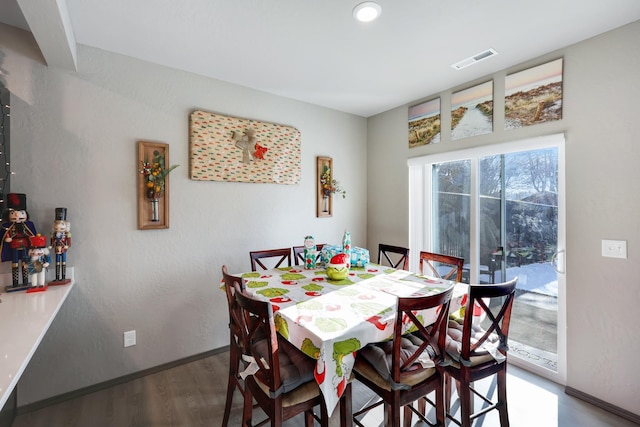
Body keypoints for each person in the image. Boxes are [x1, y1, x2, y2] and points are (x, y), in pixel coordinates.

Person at [1, 193, 37, 289]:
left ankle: (26, 281)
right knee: (15, 263)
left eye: (21, 212)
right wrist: (7, 237)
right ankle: (15, 282)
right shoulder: (7, 226)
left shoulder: (28, 225)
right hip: (14, 246)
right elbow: (6, 234)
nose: (17, 215)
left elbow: (32, 235)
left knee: (25, 262)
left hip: (24, 245)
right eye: (13, 213)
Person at [50, 207, 71, 283]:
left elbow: (69, 242)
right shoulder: (54, 234)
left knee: (63, 262)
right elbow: (52, 241)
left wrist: (67, 246)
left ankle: (64, 276)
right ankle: (57, 277)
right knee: (57, 262)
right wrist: (51, 245)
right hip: (57, 248)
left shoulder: (66, 234)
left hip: (63, 249)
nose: (59, 227)